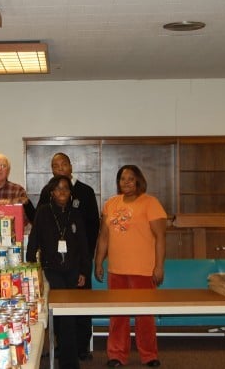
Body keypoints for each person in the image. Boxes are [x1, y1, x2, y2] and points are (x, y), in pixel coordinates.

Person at [94, 165, 167, 368]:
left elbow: (161, 237)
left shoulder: (150, 203)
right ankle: (116, 355)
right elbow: (104, 236)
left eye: (130, 178)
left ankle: (149, 355)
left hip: (143, 270)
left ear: (138, 181)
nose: (126, 182)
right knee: (118, 315)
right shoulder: (111, 204)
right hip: (116, 270)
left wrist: (159, 266)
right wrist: (98, 261)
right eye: (122, 179)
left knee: (144, 315)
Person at [37, 152, 100, 359]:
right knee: (59, 305)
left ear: (71, 166)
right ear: (52, 169)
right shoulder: (48, 191)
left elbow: (93, 226)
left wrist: (86, 260)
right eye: (55, 165)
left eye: (64, 163)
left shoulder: (86, 191)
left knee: (81, 303)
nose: (60, 167)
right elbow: (38, 221)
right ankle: (62, 347)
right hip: (55, 263)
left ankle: (82, 347)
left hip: (79, 259)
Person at [26, 175, 90, 369]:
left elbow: (84, 246)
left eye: (66, 189)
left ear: (70, 193)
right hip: (51, 270)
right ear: (51, 192)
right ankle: (68, 361)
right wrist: (30, 265)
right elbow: (34, 237)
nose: (62, 192)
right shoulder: (44, 211)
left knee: (68, 314)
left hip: (72, 270)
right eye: (58, 189)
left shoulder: (76, 213)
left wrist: (84, 272)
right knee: (63, 314)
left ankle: (67, 357)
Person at [0, 153, 36, 224]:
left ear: (8, 170)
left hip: (13, 233)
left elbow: (26, 220)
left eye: (3, 166)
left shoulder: (18, 190)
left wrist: (12, 204)